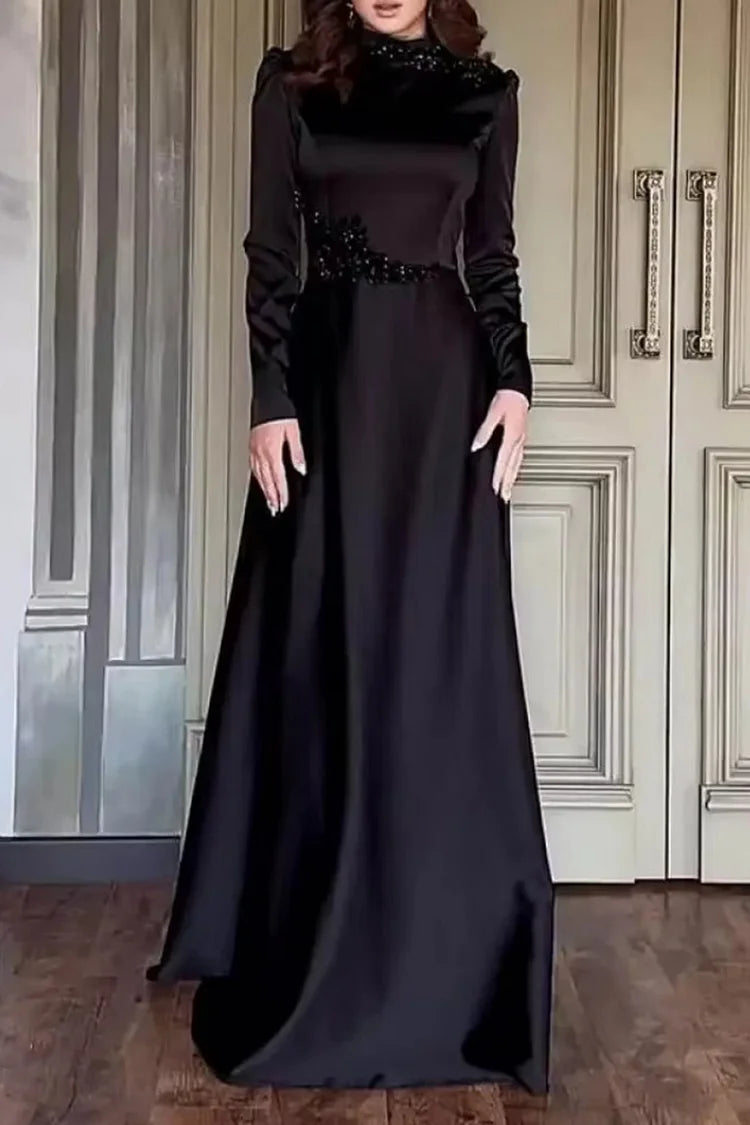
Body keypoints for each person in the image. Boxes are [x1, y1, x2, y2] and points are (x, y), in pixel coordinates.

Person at [146, 0, 554, 1097]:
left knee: (432, 665)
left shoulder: (486, 95)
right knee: (321, 652)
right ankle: (314, 935)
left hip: (445, 405)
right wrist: (269, 397)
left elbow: (493, 255)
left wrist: (516, 380)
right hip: (325, 398)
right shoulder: (291, 84)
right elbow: (270, 253)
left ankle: (442, 949)